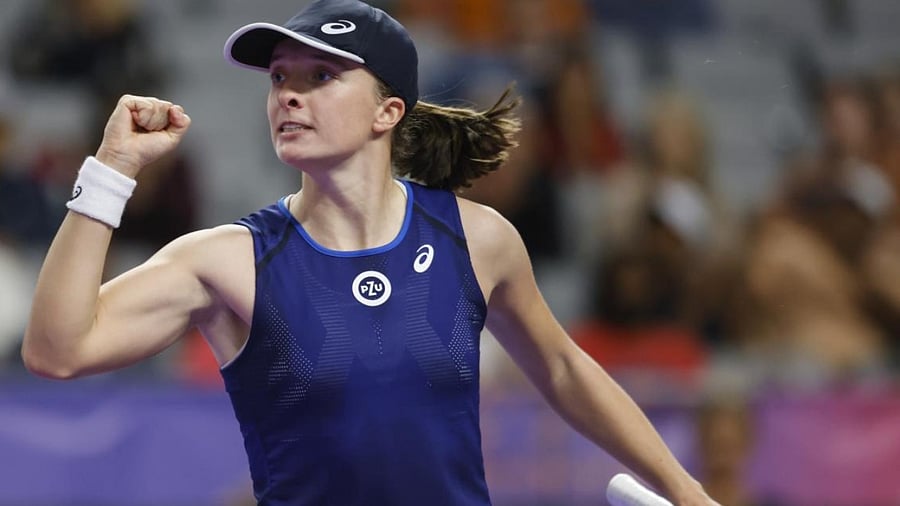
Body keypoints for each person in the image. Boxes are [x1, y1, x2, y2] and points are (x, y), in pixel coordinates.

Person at [21, 1, 718, 504]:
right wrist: (111, 172)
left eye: (319, 77)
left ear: (388, 112)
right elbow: (56, 351)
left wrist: (687, 493)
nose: (289, 95)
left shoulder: (477, 240)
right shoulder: (227, 260)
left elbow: (564, 370)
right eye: (279, 78)